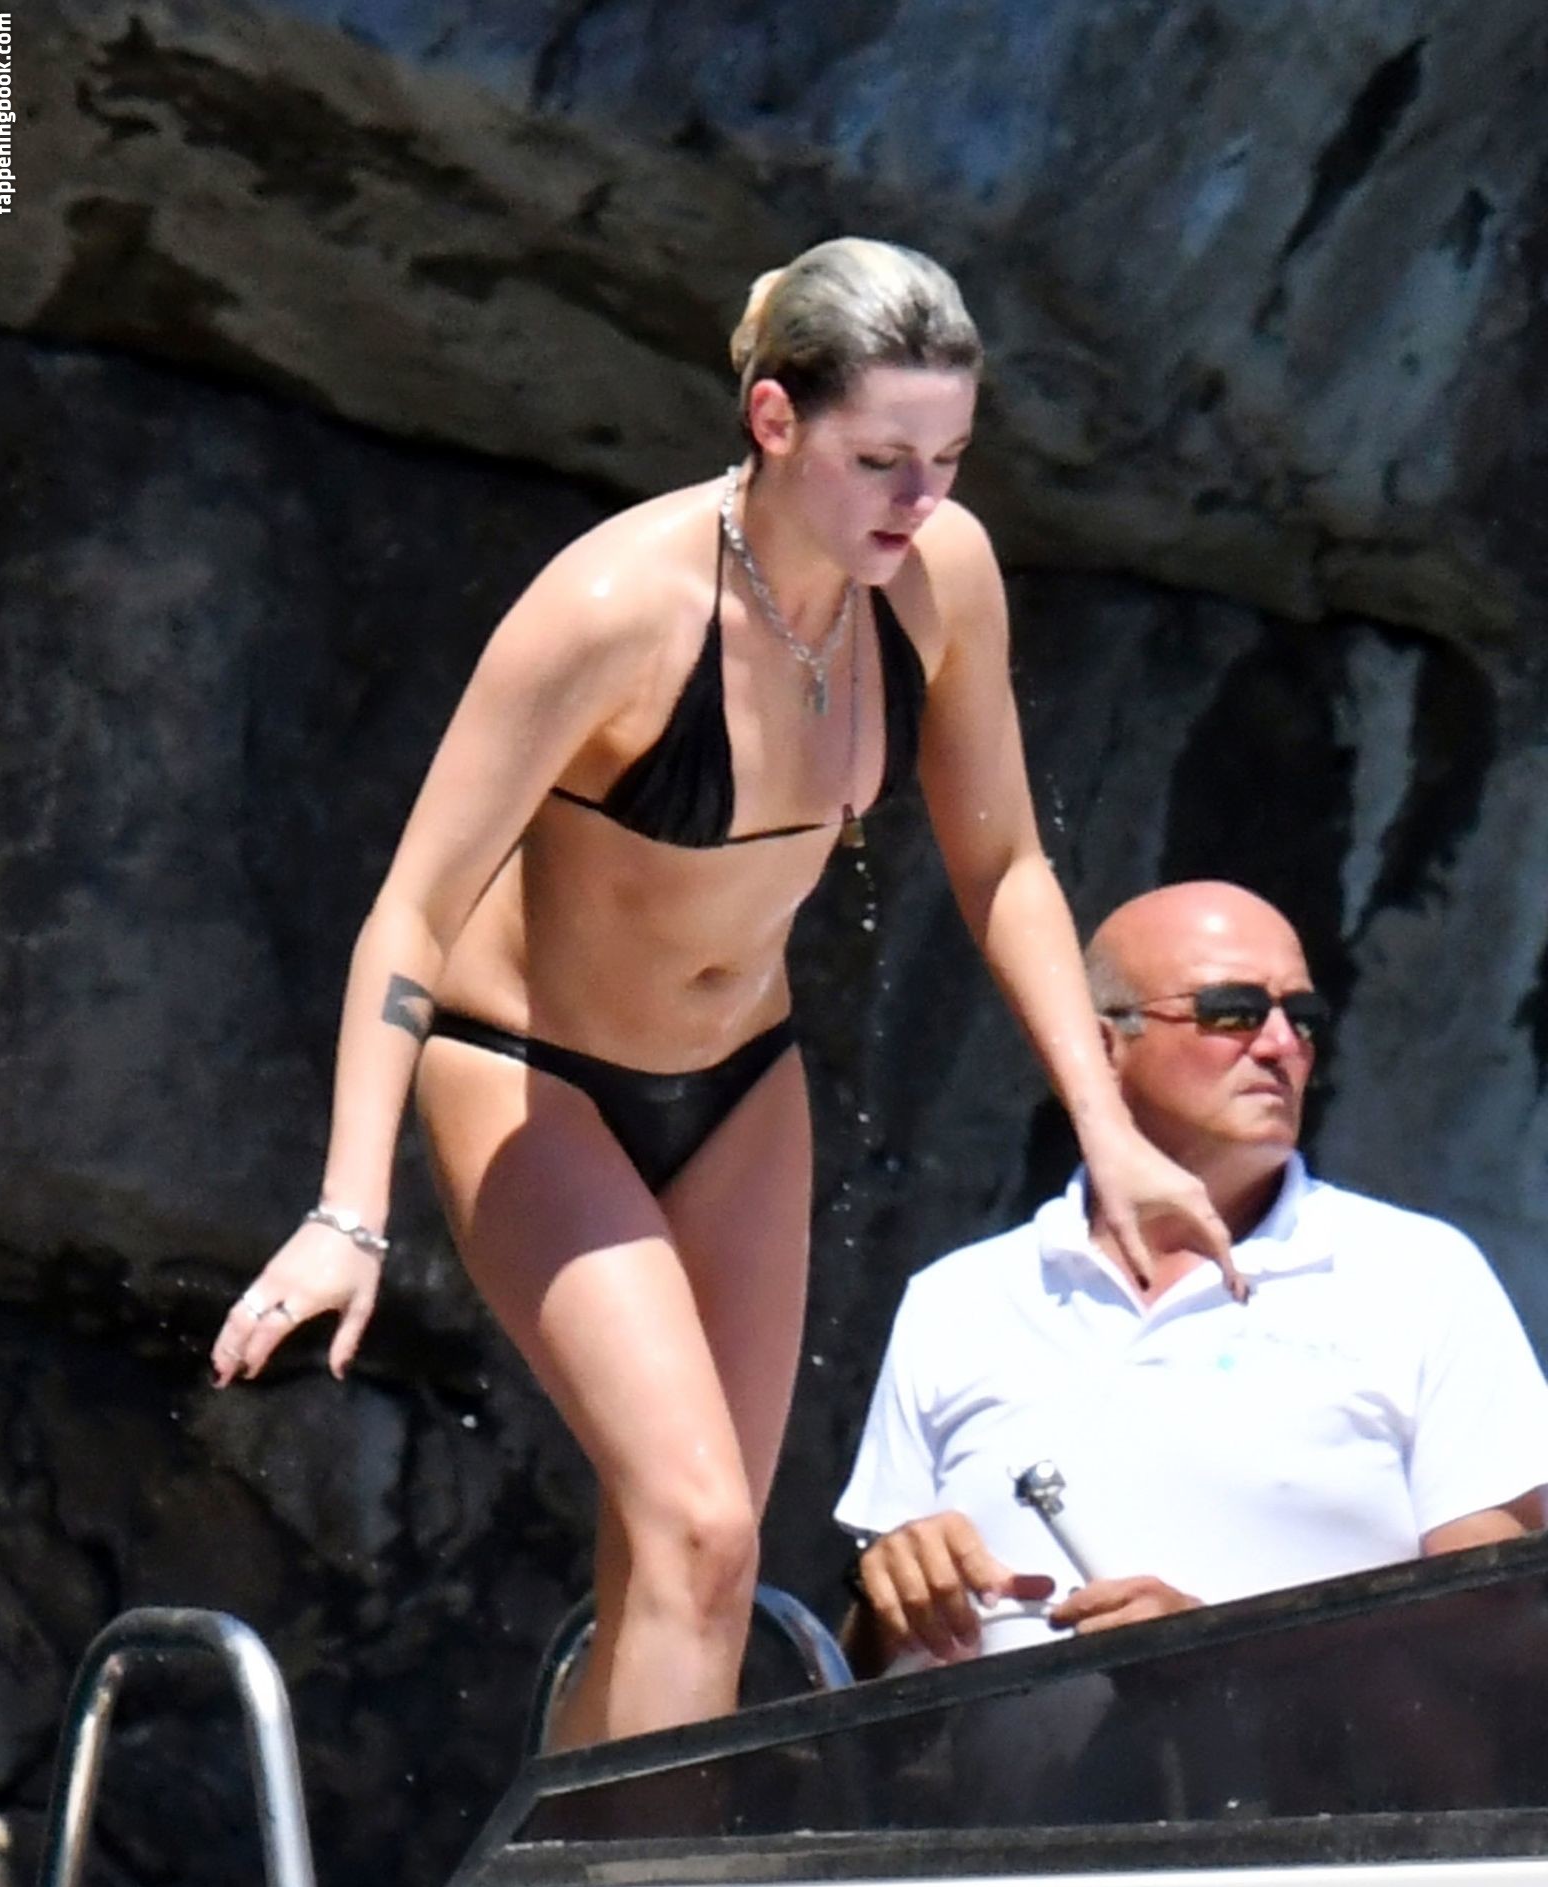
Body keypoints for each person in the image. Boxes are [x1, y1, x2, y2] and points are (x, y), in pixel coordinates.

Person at [209, 238, 1238, 1749]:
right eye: (880, 460)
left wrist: (1110, 1132)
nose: (920, 498)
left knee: (688, 1568)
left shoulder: (939, 578)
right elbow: (411, 912)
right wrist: (347, 1213)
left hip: (743, 1083)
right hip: (533, 1076)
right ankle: (651, 1875)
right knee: (698, 1529)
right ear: (772, 420)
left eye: (949, 458)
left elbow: (1005, 863)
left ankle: (566, 1870)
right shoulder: (614, 608)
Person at [838, 881, 1548, 1677]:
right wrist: (889, 1594)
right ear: (1100, 1047)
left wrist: (1222, 1658)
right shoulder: (956, 1300)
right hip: (990, 1767)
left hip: (1316, 1763)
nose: (1281, 1045)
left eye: (1302, 1016)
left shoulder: (1417, 1274)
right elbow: (860, 1675)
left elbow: (1501, 1614)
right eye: (1232, 1011)